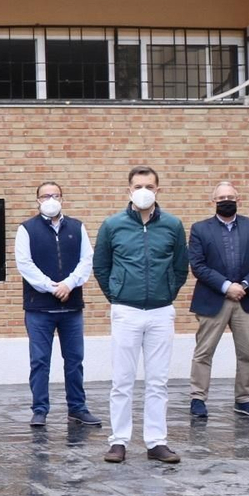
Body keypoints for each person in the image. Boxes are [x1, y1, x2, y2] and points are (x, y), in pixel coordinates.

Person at [94, 166, 188, 465]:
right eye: (138, 186)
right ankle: (118, 441)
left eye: (149, 186)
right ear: (129, 190)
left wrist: (167, 291)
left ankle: (156, 442)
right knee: (122, 380)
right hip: (126, 310)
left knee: (158, 381)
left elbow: (181, 266)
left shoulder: (172, 225)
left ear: (158, 190)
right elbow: (101, 266)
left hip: (161, 311)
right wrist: (117, 295)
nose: (143, 191)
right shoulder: (113, 225)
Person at [14, 181, 100, 428]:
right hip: (39, 308)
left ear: (62, 198)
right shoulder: (26, 229)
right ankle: (40, 409)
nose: (50, 199)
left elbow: (86, 260)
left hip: (71, 307)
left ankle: (77, 408)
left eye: (55, 195)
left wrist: (69, 284)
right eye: (45, 196)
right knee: (40, 361)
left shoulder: (77, 227)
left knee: (74, 360)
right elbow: (25, 264)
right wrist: (52, 287)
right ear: (37, 200)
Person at [187, 181, 249, 420]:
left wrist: (243, 285)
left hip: (248, 298)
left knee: (247, 353)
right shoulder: (200, 229)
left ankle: (244, 399)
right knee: (204, 352)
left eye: (230, 197)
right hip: (214, 298)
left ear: (238, 199)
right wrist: (226, 286)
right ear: (213, 201)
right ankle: (198, 398)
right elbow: (198, 265)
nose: (226, 201)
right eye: (221, 198)